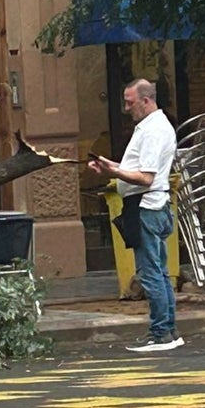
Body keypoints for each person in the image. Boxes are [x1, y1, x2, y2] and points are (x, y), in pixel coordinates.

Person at [88, 78, 180, 352]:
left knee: (150, 273)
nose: (126, 108)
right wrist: (111, 167)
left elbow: (145, 177)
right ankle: (170, 331)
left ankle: (160, 333)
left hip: (145, 207)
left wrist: (114, 172)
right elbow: (137, 168)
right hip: (155, 205)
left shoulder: (152, 132)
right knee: (160, 273)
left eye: (130, 102)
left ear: (146, 100)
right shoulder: (154, 126)